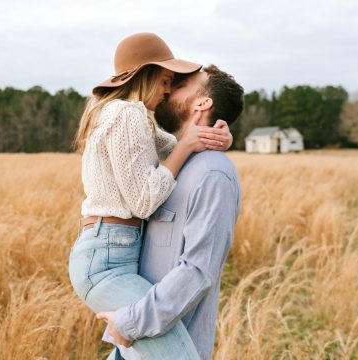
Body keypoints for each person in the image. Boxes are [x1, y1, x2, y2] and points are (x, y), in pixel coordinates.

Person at [68, 33, 233, 360]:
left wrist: (213, 136)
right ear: (146, 76)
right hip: (106, 260)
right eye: (166, 80)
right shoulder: (126, 115)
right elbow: (144, 201)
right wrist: (187, 145)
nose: (169, 90)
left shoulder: (127, 116)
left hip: (110, 252)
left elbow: (176, 148)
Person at [98, 64, 244, 360]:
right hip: (132, 349)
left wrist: (130, 323)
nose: (166, 88)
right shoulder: (171, 162)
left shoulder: (213, 174)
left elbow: (198, 271)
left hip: (166, 349)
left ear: (202, 103)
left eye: (179, 84)